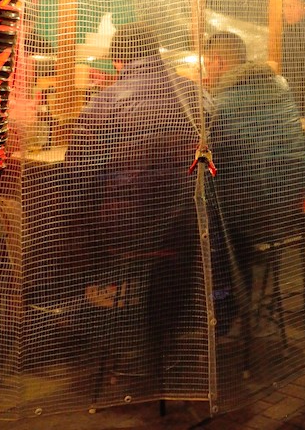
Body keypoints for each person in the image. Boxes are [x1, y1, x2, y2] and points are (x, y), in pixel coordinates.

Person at [64, 22, 200, 386]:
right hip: (184, 224)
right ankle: (158, 345)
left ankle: (94, 339)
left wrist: (76, 214)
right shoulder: (194, 93)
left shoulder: (109, 98)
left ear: (118, 59)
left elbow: (79, 167)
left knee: (70, 229)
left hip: (125, 229)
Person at [203, 32, 305, 321]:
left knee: (201, 220)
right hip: (292, 207)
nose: (205, 71)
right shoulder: (280, 86)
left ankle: (220, 314)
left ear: (219, 62)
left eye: (207, 64)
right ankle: (240, 302)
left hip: (255, 214)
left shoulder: (220, 104)